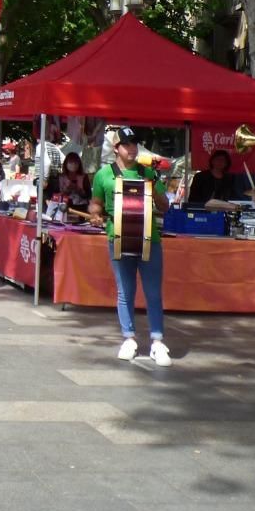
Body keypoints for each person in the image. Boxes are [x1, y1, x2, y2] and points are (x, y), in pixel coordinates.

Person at [88, 127, 170, 363]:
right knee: (126, 292)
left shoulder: (148, 173)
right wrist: (95, 214)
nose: (132, 148)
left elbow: (164, 206)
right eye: (127, 144)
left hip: (149, 239)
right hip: (119, 237)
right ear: (116, 148)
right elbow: (95, 204)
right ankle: (129, 338)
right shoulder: (103, 175)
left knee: (153, 292)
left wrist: (152, 187)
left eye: (134, 144)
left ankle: (157, 341)